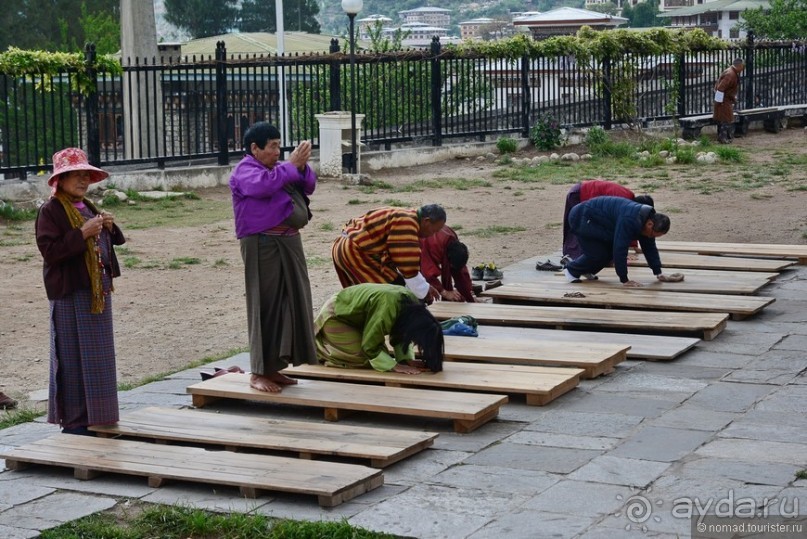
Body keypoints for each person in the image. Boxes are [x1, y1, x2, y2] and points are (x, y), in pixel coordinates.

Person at [35, 147, 125, 435]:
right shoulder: (50, 211)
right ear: (60, 180)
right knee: (72, 357)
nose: (83, 180)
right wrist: (82, 233)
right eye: (75, 174)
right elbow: (50, 252)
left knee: (98, 357)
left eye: (86, 174)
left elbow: (111, 242)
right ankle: (75, 422)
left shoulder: (87, 207)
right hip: (69, 293)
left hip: (96, 294)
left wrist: (109, 227)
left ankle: (99, 416)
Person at [229, 122, 318, 393]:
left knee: (291, 302)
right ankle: (258, 372)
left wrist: (301, 166)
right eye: (272, 146)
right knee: (264, 305)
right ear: (254, 148)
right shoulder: (245, 170)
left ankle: (275, 367)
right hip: (262, 244)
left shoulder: (278, 169)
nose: (278, 152)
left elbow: (308, 186)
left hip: (289, 242)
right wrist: (291, 166)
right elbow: (262, 188)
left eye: (279, 146)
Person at [314, 283, 444, 374]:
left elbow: (400, 333)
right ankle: (319, 349)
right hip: (336, 316)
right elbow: (369, 346)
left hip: (355, 317)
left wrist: (405, 360)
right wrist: (395, 366)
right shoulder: (388, 307)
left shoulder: (412, 308)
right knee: (365, 359)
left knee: (382, 358)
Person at [331, 204, 446, 302]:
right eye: (434, 230)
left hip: (345, 245)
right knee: (386, 294)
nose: (432, 235)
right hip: (354, 250)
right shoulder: (407, 223)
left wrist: (423, 286)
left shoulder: (406, 215)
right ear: (426, 221)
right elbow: (408, 266)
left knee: (382, 289)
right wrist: (424, 289)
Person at [563, 196, 679, 288]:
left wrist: (658, 273)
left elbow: (650, 248)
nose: (651, 237)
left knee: (608, 252)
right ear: (650, 224)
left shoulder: (646, 221)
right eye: (652, 234)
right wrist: (624, 279)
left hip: (599, 222)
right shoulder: (630, 219)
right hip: (582, 217)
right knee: (598, 254)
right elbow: (620, 249)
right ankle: (571, 270)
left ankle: (587, 269)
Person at [562, 179, 654, 263]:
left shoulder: (630, 202)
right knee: (579, 228)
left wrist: (634, 247)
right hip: (580, 193)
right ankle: (573, 259)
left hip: (580, 191)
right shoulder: (624, 202)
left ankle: (572, 256)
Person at [419, 225, 476, 302]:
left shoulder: (453, 241)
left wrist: (470, 297)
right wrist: (445, 292)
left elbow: (461, 272)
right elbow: (428, 274)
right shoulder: (434, 244)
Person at [713, 58, 745, 144]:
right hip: (723, 100)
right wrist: (719, 102)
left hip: (725, 99)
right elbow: (720, 88)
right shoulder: (730, 74)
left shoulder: (731, 72)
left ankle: (722, 137)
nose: (743, 68)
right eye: (743, 66)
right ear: (740, 66)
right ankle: (722, 138)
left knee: (723, 119)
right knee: (725, 119)